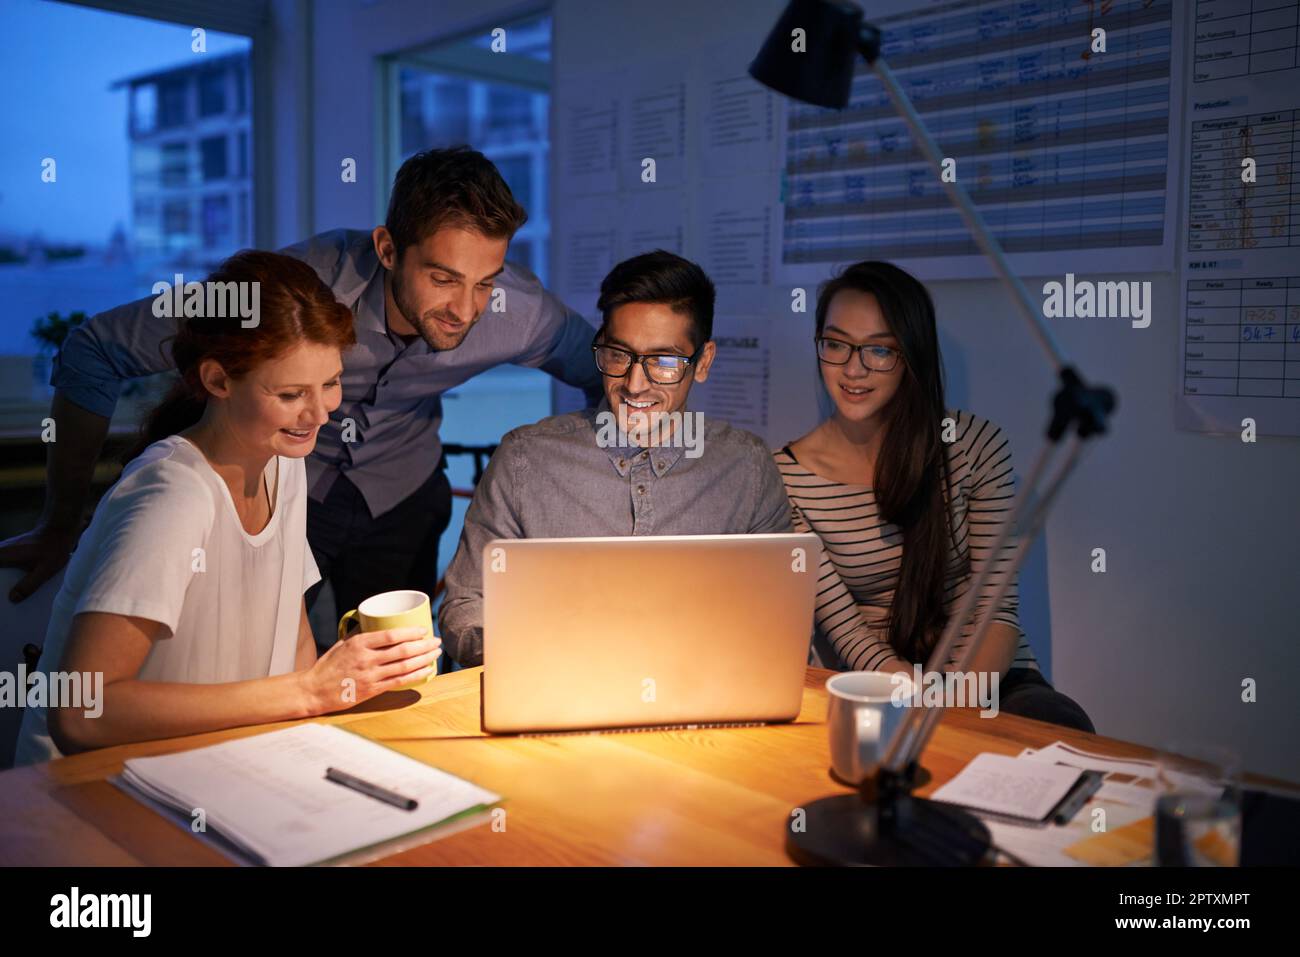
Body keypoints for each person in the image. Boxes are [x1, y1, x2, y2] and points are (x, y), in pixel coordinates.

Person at [0, 147, 603, 654]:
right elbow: (93, 349)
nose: (467, 309)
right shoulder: (293, 290)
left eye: (485, 283)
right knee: (245, 657)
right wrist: (57, 523)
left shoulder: (520, 312)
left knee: (398, 673)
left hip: (402, 492)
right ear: (388, 248)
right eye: (443, 278)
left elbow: (612, 370)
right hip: (286, 489)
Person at [13, 251, 440, 763]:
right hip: (87, 799)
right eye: (290, 393)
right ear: (217, 381)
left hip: (210, 769)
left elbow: (290, 630)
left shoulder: (282, 461)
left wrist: (322, 702)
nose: (321, 412)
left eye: (330, 383)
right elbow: (82, 712)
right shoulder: (173, 495)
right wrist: (309, 691)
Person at [774, 261, 1094, 732]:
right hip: (881, 683)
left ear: (911, 354)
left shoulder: (975, 446)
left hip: (989, 680)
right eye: (836, 344)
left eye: (879, 349)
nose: (853, 369)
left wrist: (952, 704)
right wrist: (912, 697)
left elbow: (995, 610)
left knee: (1060, 727)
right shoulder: (786, 477)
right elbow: (847, 631)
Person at [437, 250, 794, 667]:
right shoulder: (525, 460)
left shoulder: (746, 468)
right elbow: (464, 607)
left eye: (663, 362)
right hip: (558, 697)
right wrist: (537, 661)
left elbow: (778, 619)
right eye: (618, 355)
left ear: (703, 362)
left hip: (699, 703)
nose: (634, 384)